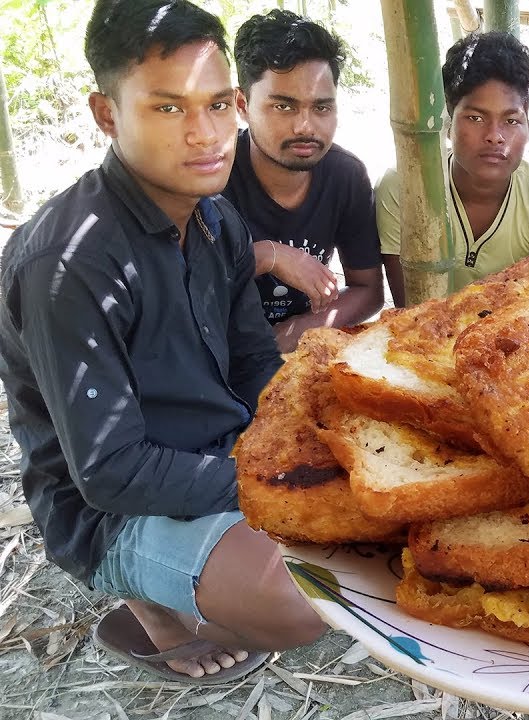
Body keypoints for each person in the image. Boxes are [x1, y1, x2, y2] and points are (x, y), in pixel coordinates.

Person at [0, 0, 325, 683]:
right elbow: (110, 472)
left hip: (217, 449)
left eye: (216, 105)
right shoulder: (68, 265)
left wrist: (304, 440)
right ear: (106, 114)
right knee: (303, 601)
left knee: (363, 518)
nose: (205, 134)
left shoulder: (218, 220)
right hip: (110, 509)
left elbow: (253, 362)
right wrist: (271, 480)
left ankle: (211, 571)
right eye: (169, 108)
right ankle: (147, 599)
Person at [375, 31, 529, 305]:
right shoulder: (404, 186)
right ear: (449, 121)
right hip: (421, 339)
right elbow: (411, 309)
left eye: (512, 121)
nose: (495, 135)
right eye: (475, 117)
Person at [222, 9, 383, 351]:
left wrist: (300, 332)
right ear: (242, 104)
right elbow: (182, 287)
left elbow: (368, 290)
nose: (306, 127)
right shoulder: (214, 176)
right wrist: (268, 256)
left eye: (322, 108)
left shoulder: (346, 177)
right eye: (284, 107)